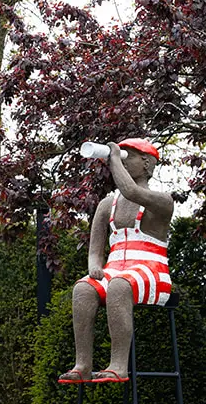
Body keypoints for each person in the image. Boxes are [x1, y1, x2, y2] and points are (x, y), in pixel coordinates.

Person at [59, 138, 176, 384]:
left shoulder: (162, 201)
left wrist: (113, 158)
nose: (121, 159)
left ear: (146, 163)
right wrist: (94, 265)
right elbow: (95, 249)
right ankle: (83, 364)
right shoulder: (107, 205)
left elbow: (131, 191)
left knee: (121, 285)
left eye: (128, 156)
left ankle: (118, 365)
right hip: (115, 270)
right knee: (83, 288)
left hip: (152, 271)